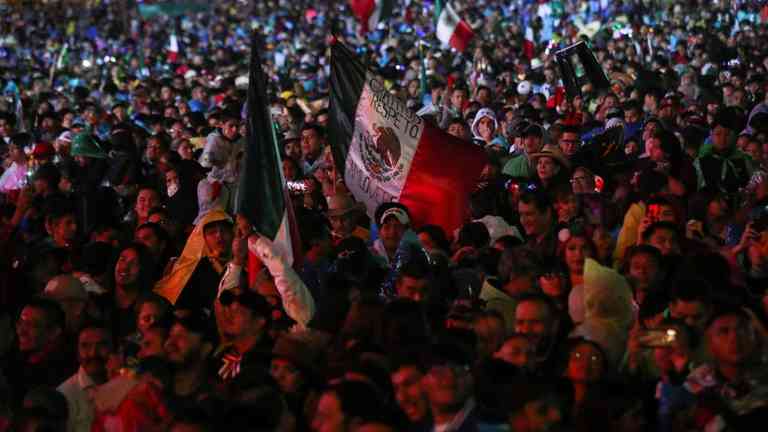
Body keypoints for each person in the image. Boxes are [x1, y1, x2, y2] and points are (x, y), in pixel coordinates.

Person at [7, 298, 78, 407]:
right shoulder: (13, 359)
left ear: (54, 332)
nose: (21, 331)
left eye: (31, 325)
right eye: (20, 323)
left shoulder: (65, 371)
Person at [57, 323, 113, 432]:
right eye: (85, 346)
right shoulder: (65, 394)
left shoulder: (127, 385)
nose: (93, 353)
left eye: (101, 345)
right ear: (77, 352)